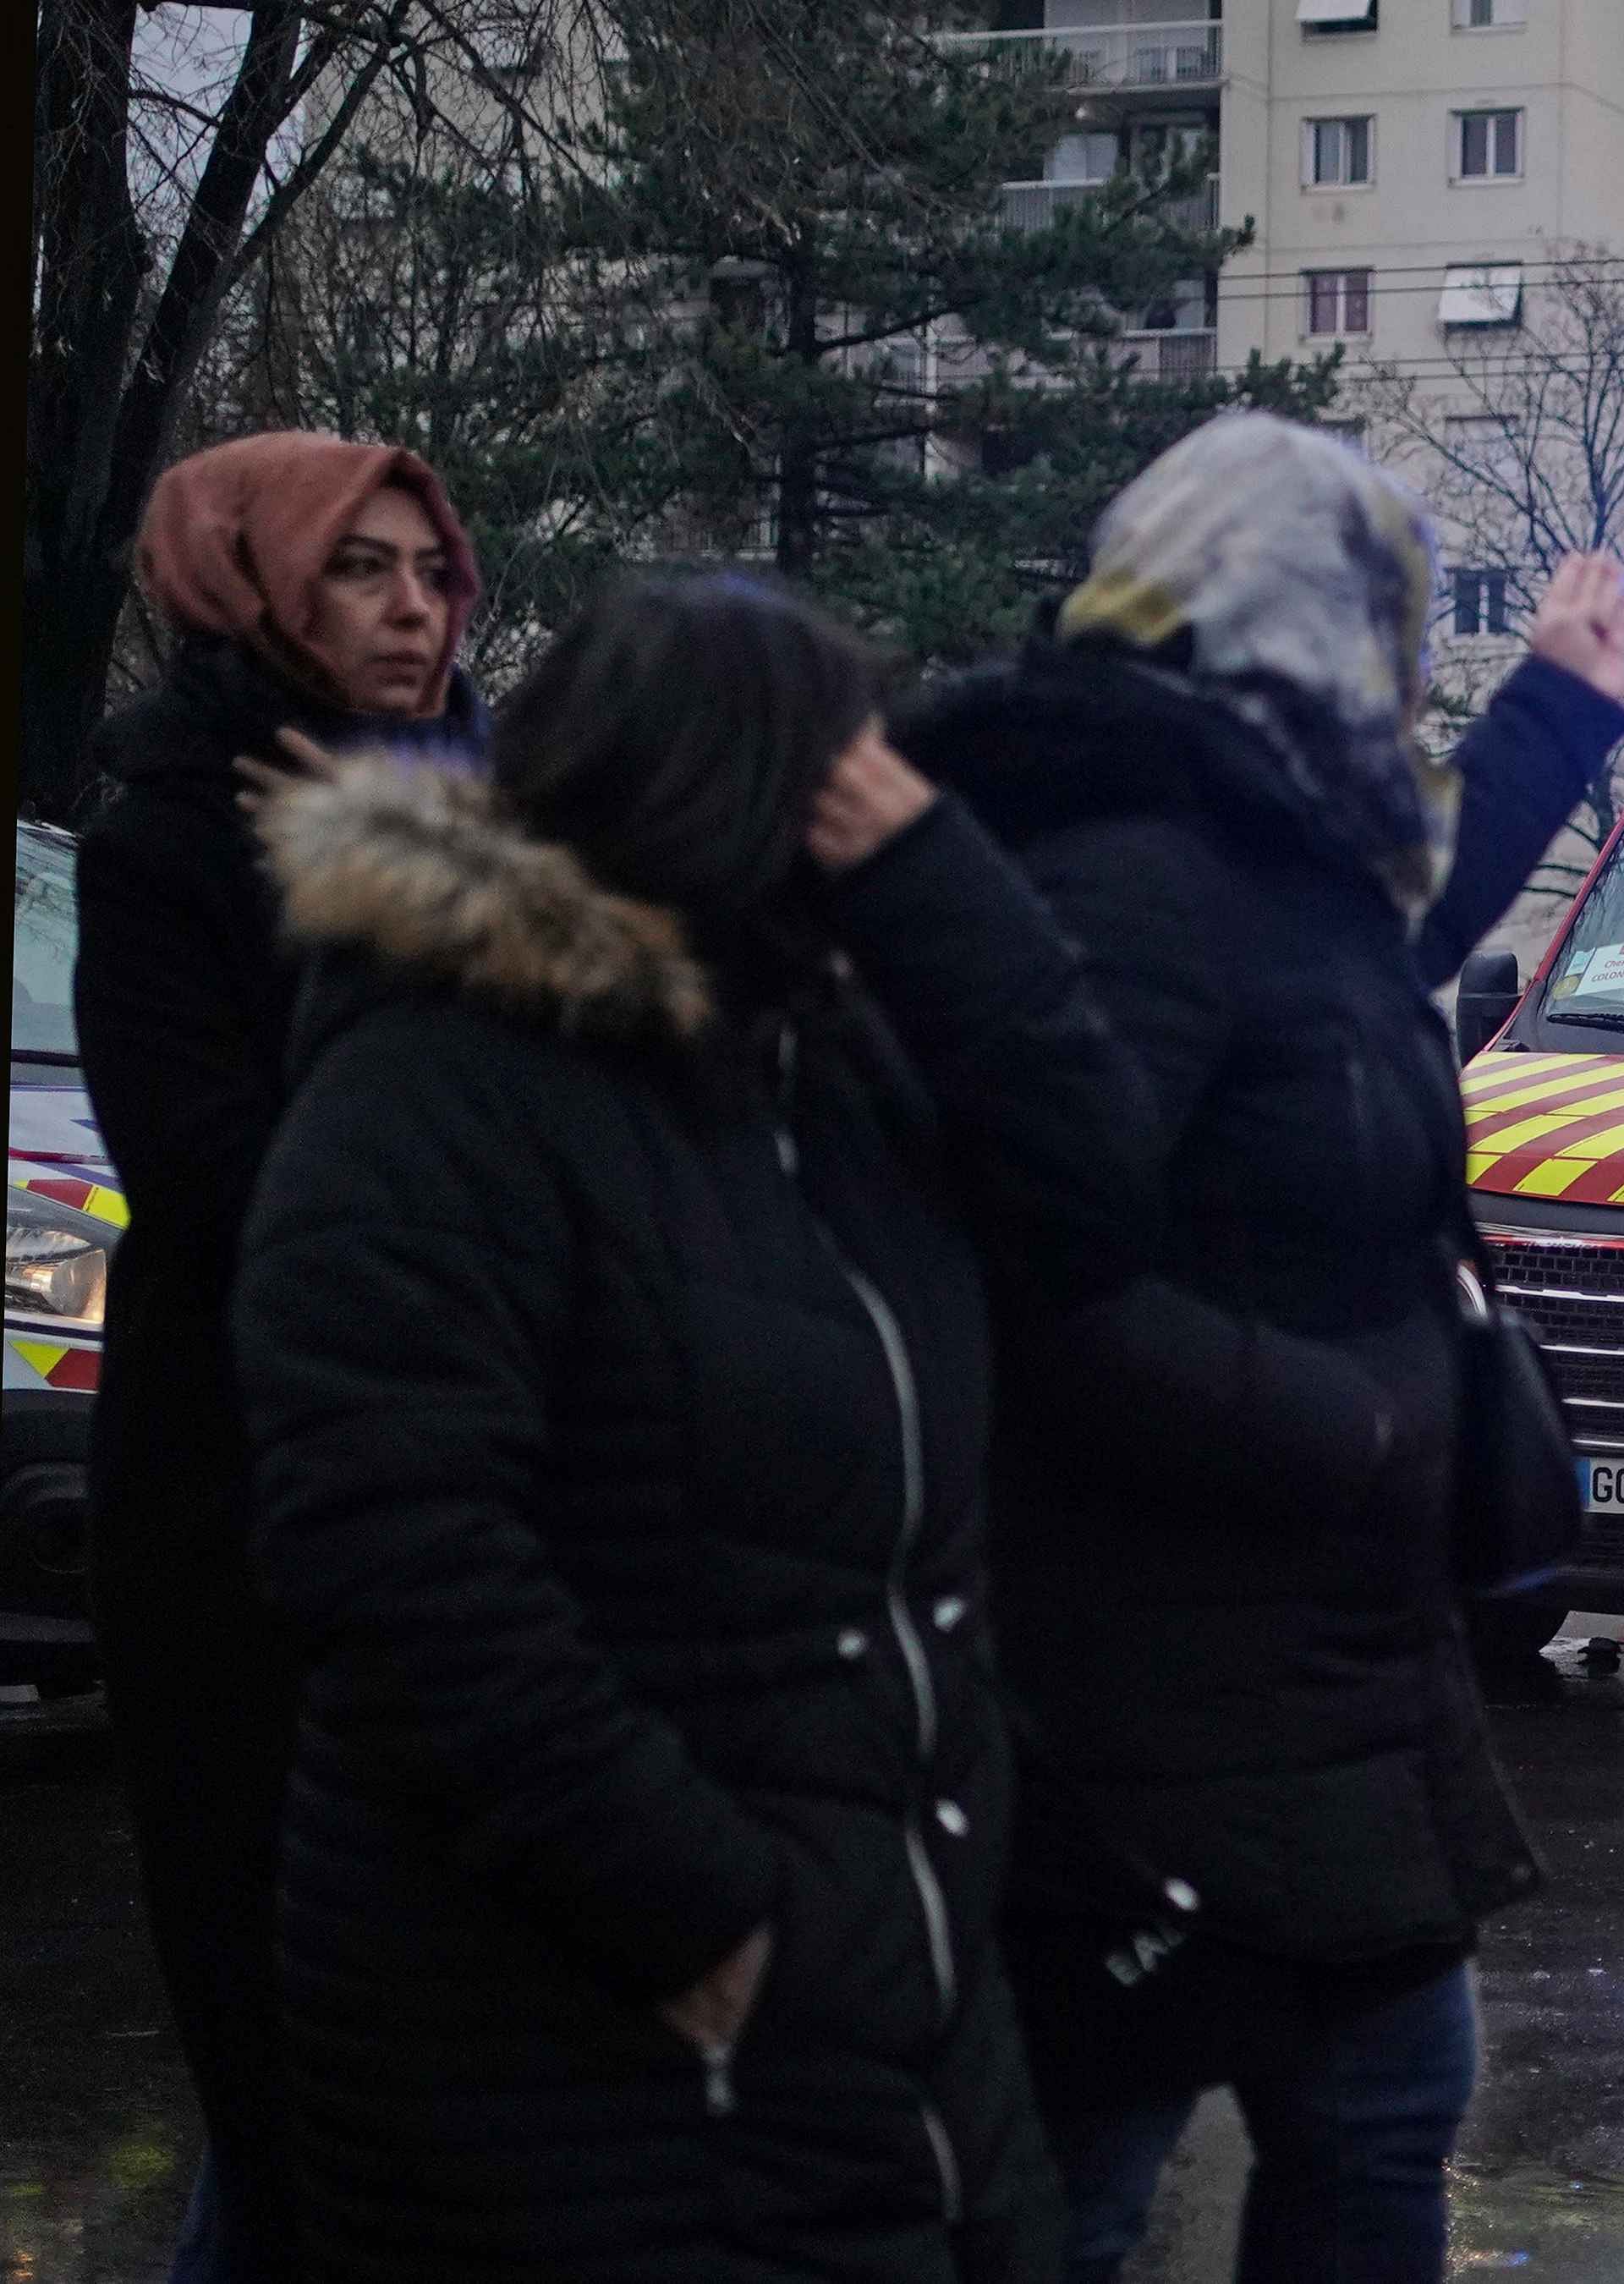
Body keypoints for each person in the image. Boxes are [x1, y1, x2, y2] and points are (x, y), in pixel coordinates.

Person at [230, 572, 1158, 2282]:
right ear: (735, 792)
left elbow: (1101, 1207)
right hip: (598, 2052)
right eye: (847, 769)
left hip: (888, 2014)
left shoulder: (824, 1055)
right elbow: (399, 1562)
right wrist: (713, 1924)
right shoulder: (435, 1084)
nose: (880, 798)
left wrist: (943, 885)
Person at [892, 411, 1624, 2284]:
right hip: (1135, 1679)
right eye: (1383, 623)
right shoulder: (1130, 875)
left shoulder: (1281, 848)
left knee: (1382, 2120)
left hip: (1322, 1676)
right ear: (1292, 630)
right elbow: (1025, 1260)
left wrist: (1554, 713)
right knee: (1084, 2176)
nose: (1401, 671)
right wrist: (1354, 1427)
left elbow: (1370, 949)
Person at [72, 431, 489, 2282]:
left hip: (481, 1499)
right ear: (253, 582)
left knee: (440, 2097)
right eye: (361, 570)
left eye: (431, 570)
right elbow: (242, 1188)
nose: (414, 609)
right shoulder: (168, 829)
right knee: (297, 2069)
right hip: (246, 1513)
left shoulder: (481, 806)